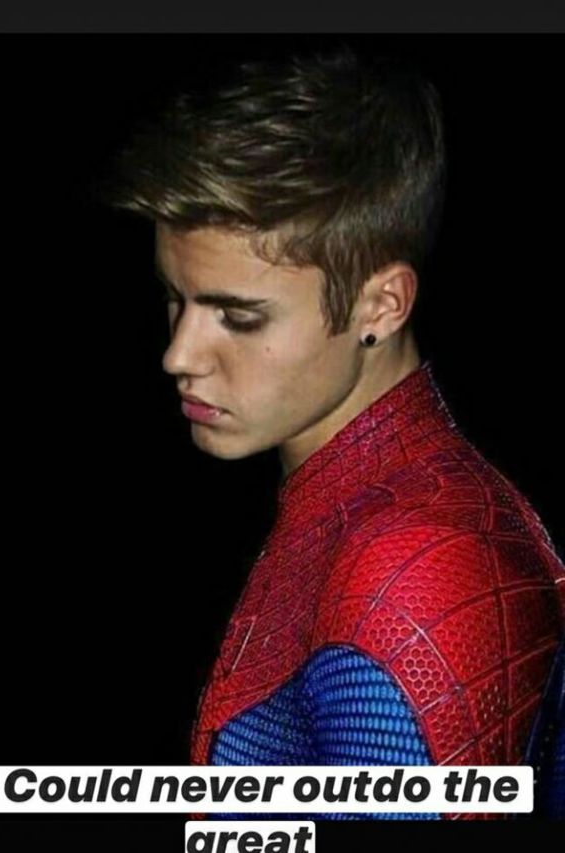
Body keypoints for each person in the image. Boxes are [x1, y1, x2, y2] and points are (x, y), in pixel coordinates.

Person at [99, 46, 564, 820]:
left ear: (381, 306)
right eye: (175, 298)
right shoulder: (351, 503)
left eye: (238, 316)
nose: (178, 354)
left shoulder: (420, 564)